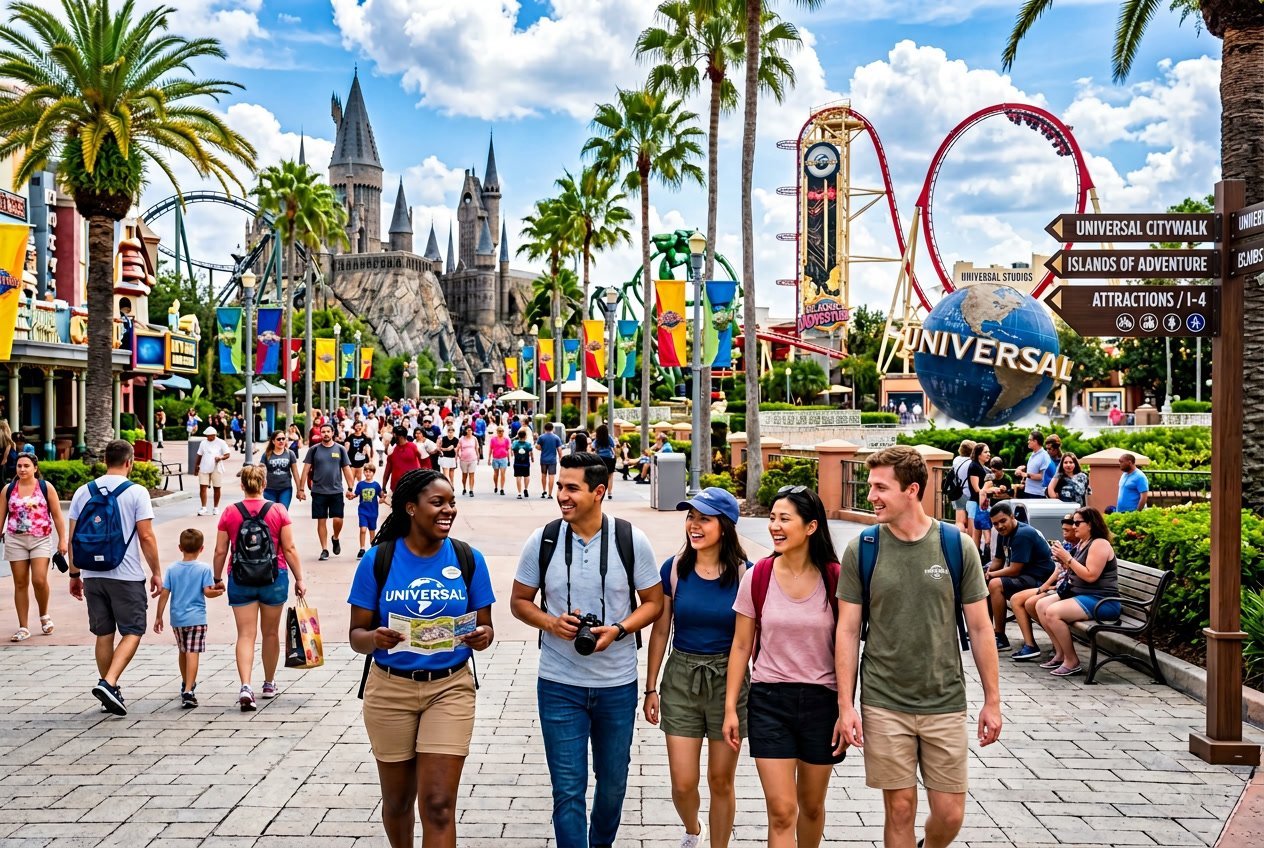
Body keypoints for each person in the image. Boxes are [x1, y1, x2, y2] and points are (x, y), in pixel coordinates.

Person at [834, 445, 1002, 848]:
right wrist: (845, 704)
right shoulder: (864, 548)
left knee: (949, 815)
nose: (870, 496)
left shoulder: (954, 545)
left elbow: (980, 628)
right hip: (883, 698)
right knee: (901, 808)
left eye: (880, 487)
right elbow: (847, 630)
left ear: (912, 490)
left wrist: (992, 700)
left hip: (943, 698)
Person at [510, 452, 664, 848]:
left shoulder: (630, 539)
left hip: (617, 684)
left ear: (599, 491)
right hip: (559, 683)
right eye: (560, 486)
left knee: (613, 786)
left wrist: (619, 628)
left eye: (571, 488)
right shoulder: (543, 539)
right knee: (568, 790)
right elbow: (519, 601)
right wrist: (550, 622)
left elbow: (653, 602)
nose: (561, 495)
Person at [348, 468, 495, 848]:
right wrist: (374, 637)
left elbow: (487, 626)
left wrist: (482, 637)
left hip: (450, 688)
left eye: (452, 503)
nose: (448, 510)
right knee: (398, 802)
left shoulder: (468, 559)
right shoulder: (378, 561)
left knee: (440, 805)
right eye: (438, 503)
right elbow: (356, 635)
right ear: (411, 508)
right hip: (389, 691)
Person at [723, 487, 845, 848]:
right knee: (781, 811)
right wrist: (731, 707)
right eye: (772, 518)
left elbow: (848, 648)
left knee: (810, 806)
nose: (774, 526)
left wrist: (846, 708)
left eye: (784, 519)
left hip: (823, 704)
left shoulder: (835, 577)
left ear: (810, 527)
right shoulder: (757, 575)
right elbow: (742, 645)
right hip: (769, 702)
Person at [644, 488, 749, 848]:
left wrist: (736, 701)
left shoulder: (744, 574)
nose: (694, 525)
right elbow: (661, 629)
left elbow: (746, 641)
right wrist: (651, 687)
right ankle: (693, 829)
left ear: (726, 525)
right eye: (691, 517)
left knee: (721, 780)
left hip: (728, 680)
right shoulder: (674, 569)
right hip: (681, 677)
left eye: (704, 518)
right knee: (683, 783)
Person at [66, 439, 163, 716]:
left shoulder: (83, 492)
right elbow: (146, 535)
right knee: (133, 630)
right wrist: (156, 571)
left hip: (92, 574)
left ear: (105, 460)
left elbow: (73, 539)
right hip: (126, 574)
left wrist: (74, 574)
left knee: (104, 632)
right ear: (130, 462)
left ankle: (111, 689)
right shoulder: (137, 492)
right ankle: (109, 682)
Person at [214, 463, 308, 709]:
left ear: (243, 485)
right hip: (274, 577)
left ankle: (246, 686)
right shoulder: (277, 510)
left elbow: (220, 550)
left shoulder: (230, 512)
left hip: (240, 578)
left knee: (245, 634)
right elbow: (288, 548)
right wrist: (299, 578)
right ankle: (268, 682)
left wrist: (217, 578)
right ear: (264, 485)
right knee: (270, 633)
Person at [1037, 506, 1122, 677]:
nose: (1073, 526)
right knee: (1041, 605)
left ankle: (1072, 661)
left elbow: (1090, 576)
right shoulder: (1083, 543)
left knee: (1053, 612)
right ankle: (1061, 653)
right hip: (1083, 594)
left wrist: (1067, 557)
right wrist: (1063, 560)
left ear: (1090, 524)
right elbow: (1074, 570)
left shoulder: (1099, 544)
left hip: (1102, 600)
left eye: (1077, 523)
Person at [153, 528, 224, 707]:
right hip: (197, 618)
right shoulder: (204, 569)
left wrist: (158, 616)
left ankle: (185, 682)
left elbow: (164, 593)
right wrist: (219, 592)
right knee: (193, 652)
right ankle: (189, 690)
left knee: (183, 650)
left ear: (180, 547)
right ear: (201, 548)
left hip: (177, 618)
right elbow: (207, 592)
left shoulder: (172, 569)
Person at [1, 454, 68, 641]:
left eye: (26, 466)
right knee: (20, 583)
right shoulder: (9, 489)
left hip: (40, 539)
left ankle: (44, 615)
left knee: (39, 580)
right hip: (15, 540)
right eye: (19, 466)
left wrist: (63, 540)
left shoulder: (46, 488)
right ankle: (23, 627)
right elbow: (1, 517)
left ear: (35, 468)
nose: (22, 469)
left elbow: (57, 516)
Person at [984, 501, 1056, 657]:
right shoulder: (1004, 533)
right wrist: (986, 573)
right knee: (985, 583)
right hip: (1025, 577)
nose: (1000, 526)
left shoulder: (1023, 534)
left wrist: (992, 576)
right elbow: (997, 561)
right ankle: (987, 631)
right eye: (995, 524)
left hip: (1040, 579)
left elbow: (1015, 569)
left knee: (995, 584)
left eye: (1003, 521)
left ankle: (1000, 636)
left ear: (1012, 517)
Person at [1008, 514, 1078, 663]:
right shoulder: (1066, 544)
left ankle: (1057, 646)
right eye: (1063, 530)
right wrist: (1045, 587)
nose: (1064, 533)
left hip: (1065, 589)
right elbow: (1058, 570)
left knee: (1031, 603)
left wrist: (1065, 560)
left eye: (1067, 530)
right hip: (1056, 585)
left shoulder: (1081, 546)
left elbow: (1073, 572)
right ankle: (1032, 645)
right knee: (1017, 599)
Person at [301, 424, 355, 561]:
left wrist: (350, 488)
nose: (325, 434)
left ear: (333, 433)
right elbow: (306, 469)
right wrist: (301, 489)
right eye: (323, 432)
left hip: (336, 490)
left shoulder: (340, 449)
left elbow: (347, 469)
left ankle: (335, 537)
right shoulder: (314, 450)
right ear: (320, 434)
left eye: (328, 431)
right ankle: (324, 549)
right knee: (321, 520)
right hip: (318, 490)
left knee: (338, 519)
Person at [261, 430, 303, 508]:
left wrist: (300, 489)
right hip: (269, 489)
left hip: (285, 489)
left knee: (282, 511)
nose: (281, 441)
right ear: (273, 441)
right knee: (271, 512)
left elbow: (295, 472)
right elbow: (261, 471)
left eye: (283, 439)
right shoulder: (266, 454)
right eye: (278, 439)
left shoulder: (290, 454)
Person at [196, 426, 232, 516]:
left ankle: (216, 507)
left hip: (216, 467)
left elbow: (227, 454)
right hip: (204, 467)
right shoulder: (203, 443)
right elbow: (199, 455)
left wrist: (221, 458)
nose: (208, 437)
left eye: (210, 436)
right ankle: (203, 507)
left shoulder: (221, 442)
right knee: (202, 487)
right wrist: (196, 466)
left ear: (214, 435)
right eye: (207, 435)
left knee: (217, 487)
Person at [351, 464, 383, 559]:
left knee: (372, 531)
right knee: (363, 529)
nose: (368, 473)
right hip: (363, 511)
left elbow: (381, 496)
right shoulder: (360, 484)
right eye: (366, 471)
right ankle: (362, 549)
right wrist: (351, 495)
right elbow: (355, 494)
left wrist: (384, 499)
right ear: (364, 472)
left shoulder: (376, 485)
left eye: (370, 472)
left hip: (373, 512)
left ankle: (372, 549)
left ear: (373, 473)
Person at [382, 426, 423, 493]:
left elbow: (422, 462)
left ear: (400, 437)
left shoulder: (413, 447)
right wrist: (383, 487)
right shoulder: (392, 450)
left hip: (413, 486)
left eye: (394, 436)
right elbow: (387, 470)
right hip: (397, 488)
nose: (393, 438)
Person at [966, 442, 989, 548]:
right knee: (976, 534)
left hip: (979, 502)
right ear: (979, 454)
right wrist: (989, 489)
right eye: (986, 452)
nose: (988, 454)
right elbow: (976, 489)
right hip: (975, 503)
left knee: (979, 533)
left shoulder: (981, 466)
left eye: (988, 452)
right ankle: (975, 556)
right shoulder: (974, 466)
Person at [1014, 430, 1050, 499]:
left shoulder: (1044, 456)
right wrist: (1022, 470)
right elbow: (1033, 471)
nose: (1028, 442)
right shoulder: (1033, 454)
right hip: (1028, 491)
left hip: (1038, 494)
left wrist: (1024, 474)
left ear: (1035, 441)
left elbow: (1042, 476)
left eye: (1030, 440)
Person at [949, 440, 974, 532]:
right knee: (971, 519)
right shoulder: (972, 462)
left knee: (960, 521)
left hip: (957, 492)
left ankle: (959, 540)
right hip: (970, 493)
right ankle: (970, 541)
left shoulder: (956, 460)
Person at [535, 421, 564, 499]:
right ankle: (550, 494)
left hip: (543, 459)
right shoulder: (556, 438)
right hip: (552, 460)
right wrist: (561, 458)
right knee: (551, 476)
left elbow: (537, 446)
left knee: (543, 475)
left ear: (545, 428)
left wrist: (542, 448)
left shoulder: (541, 437)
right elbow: (559, 449)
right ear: (552, 429)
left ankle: (544, 491)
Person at [593, 425, 618, 498]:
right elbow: (613, 445)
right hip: (609, 458)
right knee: (610, 476)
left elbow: (593, 446)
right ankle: (609, 493)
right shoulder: (609, 437)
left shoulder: (597, 438)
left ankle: (600, 492)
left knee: (600, 476)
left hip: (599, 458)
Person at [487, 425, 511, 496]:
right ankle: (496, 486)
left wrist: (509, 460)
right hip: (495, 458)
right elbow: (490, 449)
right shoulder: (493, 439)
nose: (500, 433)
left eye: (502, 431)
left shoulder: (506, 440)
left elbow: (507, 450)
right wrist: (489, 459)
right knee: (496, 474)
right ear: (497, 432)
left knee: (503, 474)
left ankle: (502, 488)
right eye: (499, 431)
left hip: (503, 458)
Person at [457, 425, 480, 497]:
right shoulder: (461, 439)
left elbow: (476, 448)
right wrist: (459, 455)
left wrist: (478, 457)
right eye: (468, 430)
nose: (469, 431)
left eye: (470, 430)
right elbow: (457, 448)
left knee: (472, 474)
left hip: (473, 459)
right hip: (463, 459)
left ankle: (471, 490)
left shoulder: (474, 439)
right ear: (465, 431)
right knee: (464, 475)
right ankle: (464, 488)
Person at [512, 427, 534, 499]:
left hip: (517, 462)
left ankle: (519, 493)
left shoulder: (515, 443)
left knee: (518, 477)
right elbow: (531, 452)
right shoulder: (528, 444)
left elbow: (513, 451)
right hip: (526, 462)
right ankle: (526, 489)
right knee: (526, 476)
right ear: (525, 436)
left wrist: (514, 455)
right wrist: (532, 458)